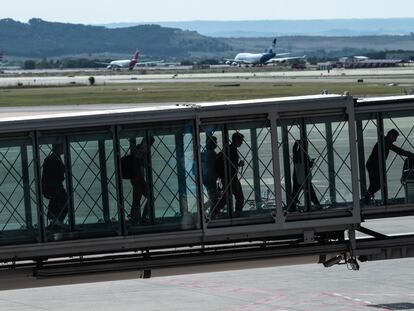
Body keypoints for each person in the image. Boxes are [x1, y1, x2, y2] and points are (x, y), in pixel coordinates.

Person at [364, 129, 414, 204]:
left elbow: (398, 150)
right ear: (391, 135)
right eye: (395, 138)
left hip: (373, 165)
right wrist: (410, 154)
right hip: (374, 166)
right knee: (378, 184)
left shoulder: (384, 141)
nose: (395, 140)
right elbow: (398, 150)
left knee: (375, 184)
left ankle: (366, 199)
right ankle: (366, 199)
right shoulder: (386, 142)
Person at [211, 132, 245, 218]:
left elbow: (228, 165)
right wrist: (238, 165)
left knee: (225, 199)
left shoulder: (228, 149)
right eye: (241, 141)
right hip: (232, 178)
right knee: (239, 197)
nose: (242, 142)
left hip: (226, 178)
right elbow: (231, 166)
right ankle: (237, 213)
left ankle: (214, 212)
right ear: (236, 140)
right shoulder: (232, 150)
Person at [41, 143, 68, 228]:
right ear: (57, 148)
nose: (64, 148)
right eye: (62, 147)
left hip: (52, 186)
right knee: (62, 201)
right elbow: (54, 174)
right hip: (54, 186)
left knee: (57, 202)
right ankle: (57, 221)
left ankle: (55, 221)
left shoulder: (52, 158)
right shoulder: (53, 159)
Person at [130, 136, 155, 225]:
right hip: (138, 179)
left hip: (137, 179)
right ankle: (143, 217)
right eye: (150, 145)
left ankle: (135, 218)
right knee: (148, 198)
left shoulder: (137, 150)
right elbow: (139, 165)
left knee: (136, 200)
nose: (150, 147)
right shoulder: (140, 152)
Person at [291, 139, 319, 211]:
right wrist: (312, 162)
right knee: (311, 193)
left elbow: (294, 149)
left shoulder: (296, 154)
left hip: (296, 176)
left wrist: (296, 143)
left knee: (295, 194)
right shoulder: (304, 154)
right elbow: (308, 166)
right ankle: (317, 205)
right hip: (304, 177)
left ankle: (292, 207)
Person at [201, 136, 219, 210]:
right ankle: (207, 212)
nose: (216, 144)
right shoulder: (214, 155)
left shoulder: (202, 154)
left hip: (205, 179)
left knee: (213, 198)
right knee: (214, 199)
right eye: (215, 142)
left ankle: (207, 212)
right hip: (211, 179)